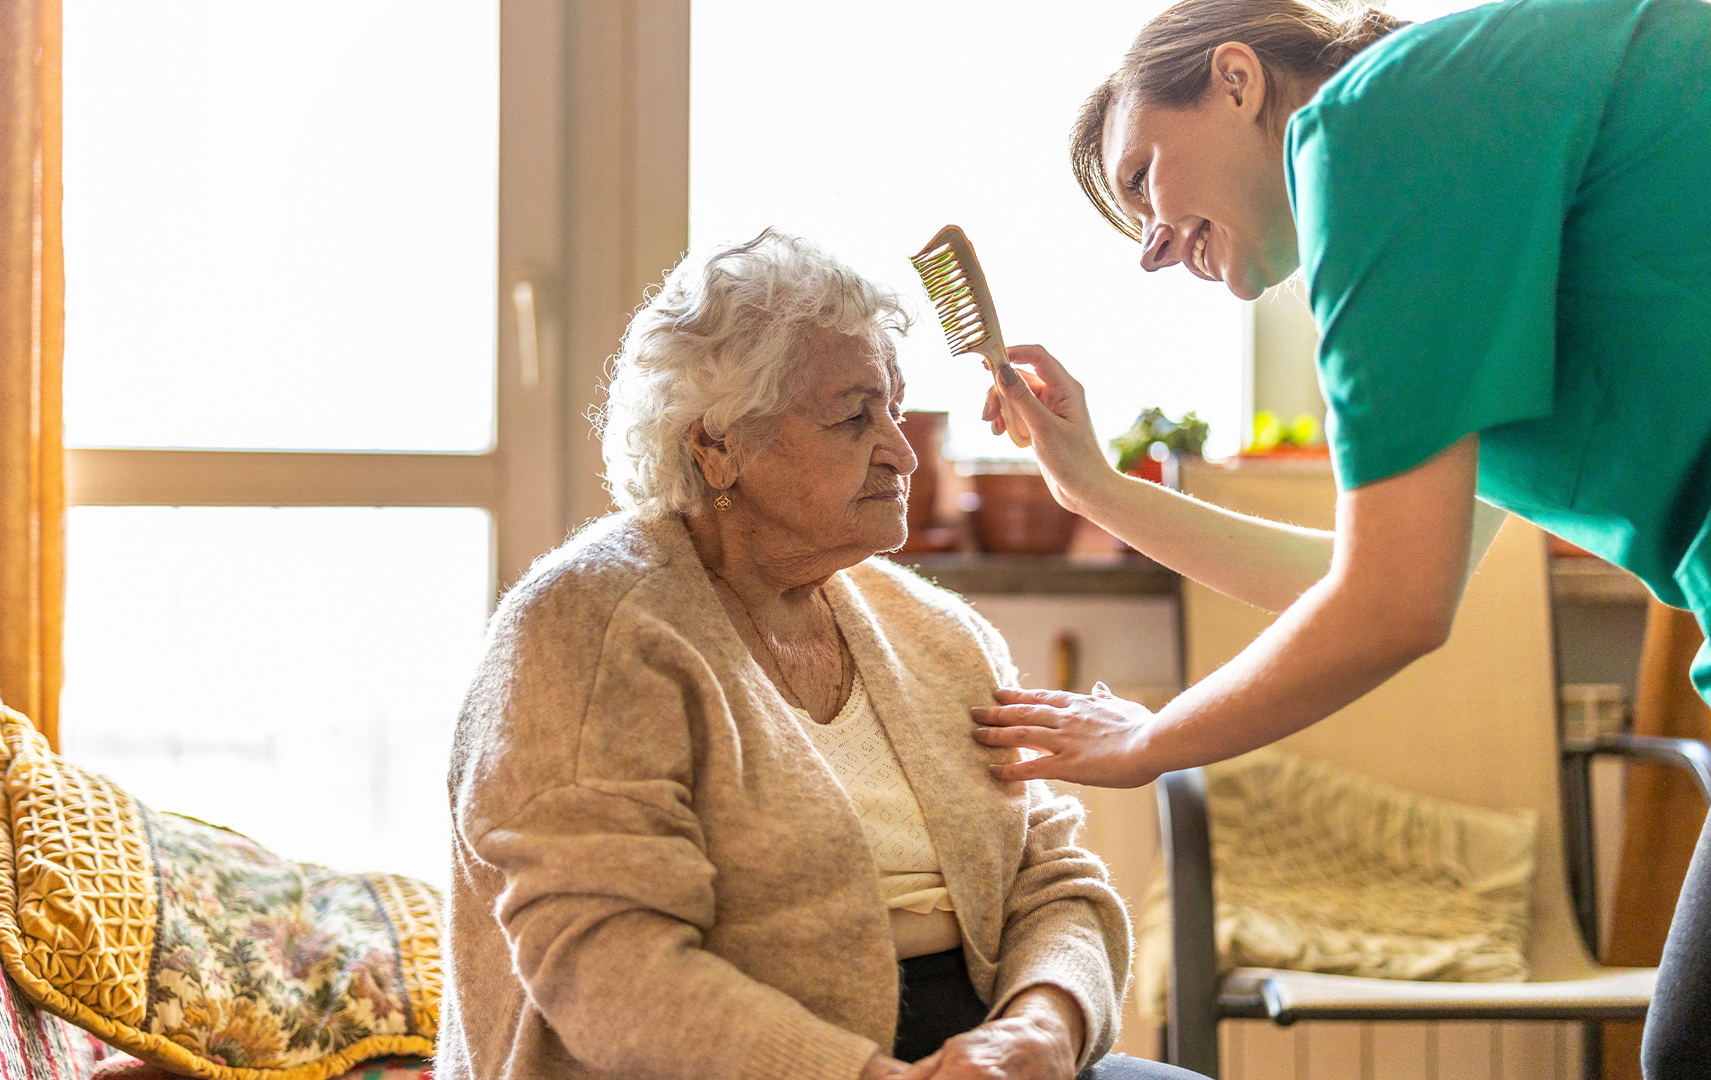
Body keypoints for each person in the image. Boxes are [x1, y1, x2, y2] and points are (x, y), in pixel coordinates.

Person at [967, 0, 1711, 1075]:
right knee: (1686, 1052)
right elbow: (1373, 573)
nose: (1148, 247)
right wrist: (1094, 491)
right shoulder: (1451, 177)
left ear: (1236, 80)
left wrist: (1149, 741)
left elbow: (1392, 606)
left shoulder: (1384, 123)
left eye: (1143, 178)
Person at [438, 229, 1201, 1080]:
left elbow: (1054, 881)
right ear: (716, 445)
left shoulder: (935, 633)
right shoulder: (590, 623)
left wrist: (1042, 1030)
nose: (903, 452)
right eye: (852, 416)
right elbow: (608, 969)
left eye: (896, 408)